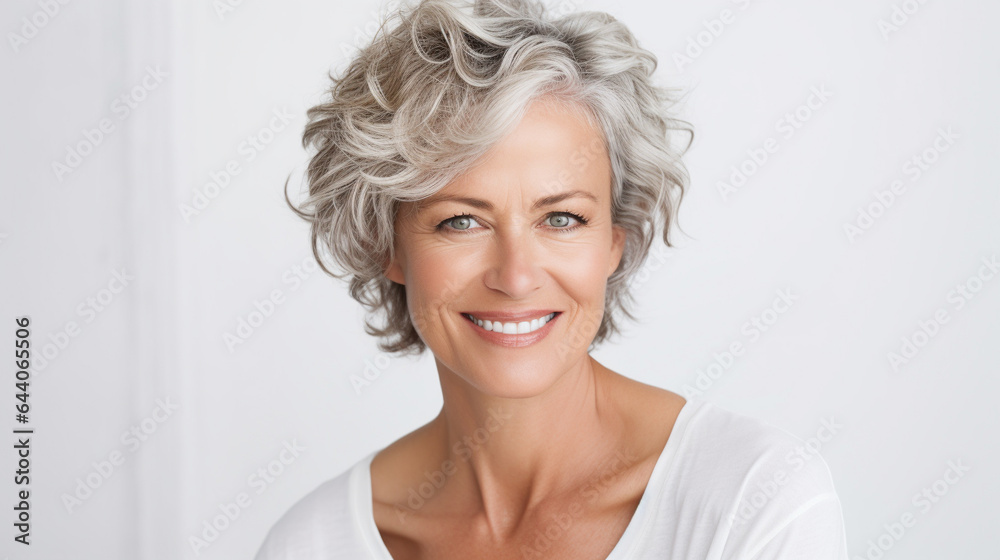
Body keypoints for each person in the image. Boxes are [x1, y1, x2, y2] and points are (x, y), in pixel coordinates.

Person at [255, 0, 849, 558]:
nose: (515, 277)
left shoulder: (751, 501)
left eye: (561, 218)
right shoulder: (314, 543)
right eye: (461, 221)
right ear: (387, 244)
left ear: (615, 237)